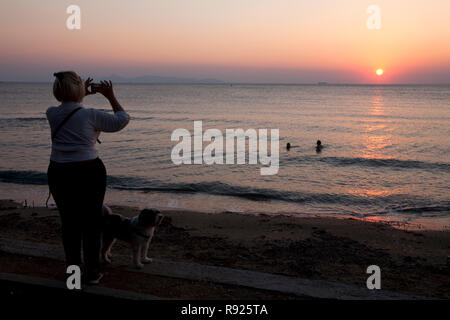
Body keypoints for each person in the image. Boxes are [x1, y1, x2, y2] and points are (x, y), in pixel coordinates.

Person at [46, 71, 130, 284]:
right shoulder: (90, 115)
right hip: (88, 171)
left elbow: (70, 108)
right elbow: (122, 120)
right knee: (91, 223)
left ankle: (73, 276)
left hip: (58, 171)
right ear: (78, 89)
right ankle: (92, 273)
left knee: (69, 224)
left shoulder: (51, 113)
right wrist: (109, 95)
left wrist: (82, 94)